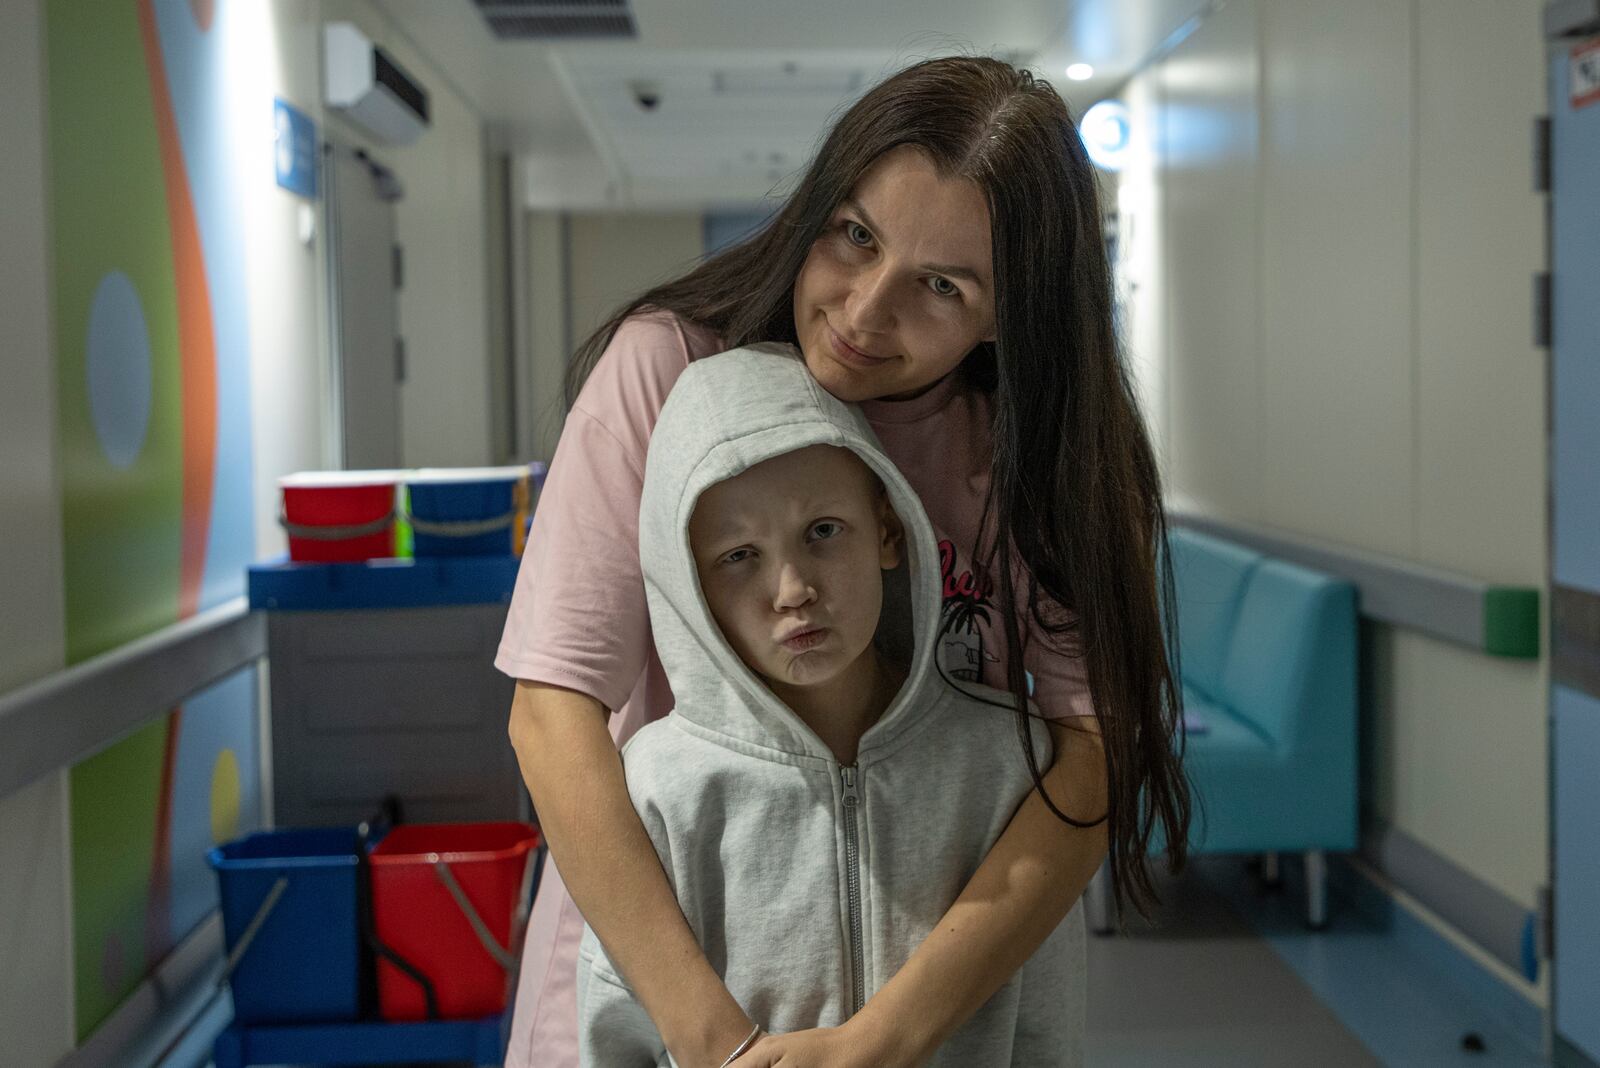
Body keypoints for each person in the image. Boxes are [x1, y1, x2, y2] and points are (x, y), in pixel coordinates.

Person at [498, 56, 1190, 1068]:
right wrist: (714, 1044)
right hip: (663, 974)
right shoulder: (670, 369)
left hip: (937, 999)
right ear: (816, 205)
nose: (865, 311)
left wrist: (887, 1038)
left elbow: (1092, 750)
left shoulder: (1039, 449)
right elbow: (552, 711)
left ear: (1008, 315)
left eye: (940, 287)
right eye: (854, 236)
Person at [574, 344, 1087, 1067]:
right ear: (690, 581)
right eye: (738, 556)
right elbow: (615, 1038)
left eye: (822, 532)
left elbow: (1045, 1026)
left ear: (886, 528)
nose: (791, 589)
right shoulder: (659, 790)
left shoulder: (1006, 763)